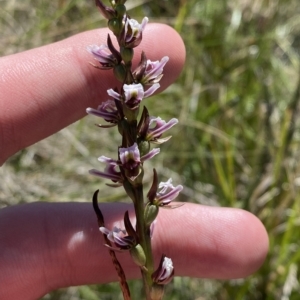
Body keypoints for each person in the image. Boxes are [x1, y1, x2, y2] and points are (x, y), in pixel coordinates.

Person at [0, 24, 269, 299]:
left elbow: (135, 160)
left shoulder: (137, 147)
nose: (131, 165)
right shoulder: (132, 144)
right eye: (128, 96)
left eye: (135, 95)